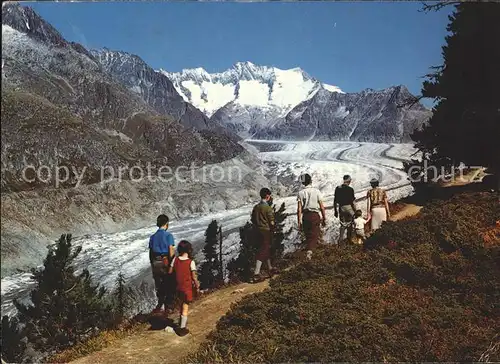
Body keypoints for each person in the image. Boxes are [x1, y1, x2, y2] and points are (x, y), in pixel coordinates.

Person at [169, 240, 200, 336]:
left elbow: (170, 271)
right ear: (189, 250)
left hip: (178, 287)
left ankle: (180, 323)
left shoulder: (175, 260)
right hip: (187, 288)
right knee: (185, 306)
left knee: (181, 305)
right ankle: (182, 328)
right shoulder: (191, 262)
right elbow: (194, 276)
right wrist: (197, 285)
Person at [149, 214, 176, 314]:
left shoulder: (152, 237)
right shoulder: (169, 236)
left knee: (159, 285)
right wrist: (172, 264)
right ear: (166, 224)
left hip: (155, 262)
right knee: (169, 283)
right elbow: (171, 250)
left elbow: (151, 253)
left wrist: (153, 264)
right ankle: (168, 306)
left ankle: (160, 305)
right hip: (165, 262)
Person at [250, 187, 277, 283]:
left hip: (257, 231)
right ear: (267, 196)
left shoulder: (256, 207)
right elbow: (272, 222)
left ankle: (270, 268)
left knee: (265, 249)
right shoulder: (267, 208)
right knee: (263, 250)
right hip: (266, 231)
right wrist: (273, 231)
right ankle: (256, 273)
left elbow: (252, 219)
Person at [297, 174, 326, 260]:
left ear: (303, 183)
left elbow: (299, 209)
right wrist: (324, 217)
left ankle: (310, 253)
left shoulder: (300, 193)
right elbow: (321, 206)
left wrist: (299, 221)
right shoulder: (316, 191)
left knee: (308, 235)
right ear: (311, 181)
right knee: (315, 235)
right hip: (315, 215)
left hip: (305, 216)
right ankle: (310, 254)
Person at [333, 175, 356, 245]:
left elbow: (335, 201)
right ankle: (349, 240)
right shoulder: (350, 189)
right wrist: (355, 211)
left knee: (343, 225)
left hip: (341, 207)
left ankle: (340, 240)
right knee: (350, 224)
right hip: (349, 207)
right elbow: (353, 202)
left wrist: (335, 211)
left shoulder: (338, 188)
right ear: (349, 180)